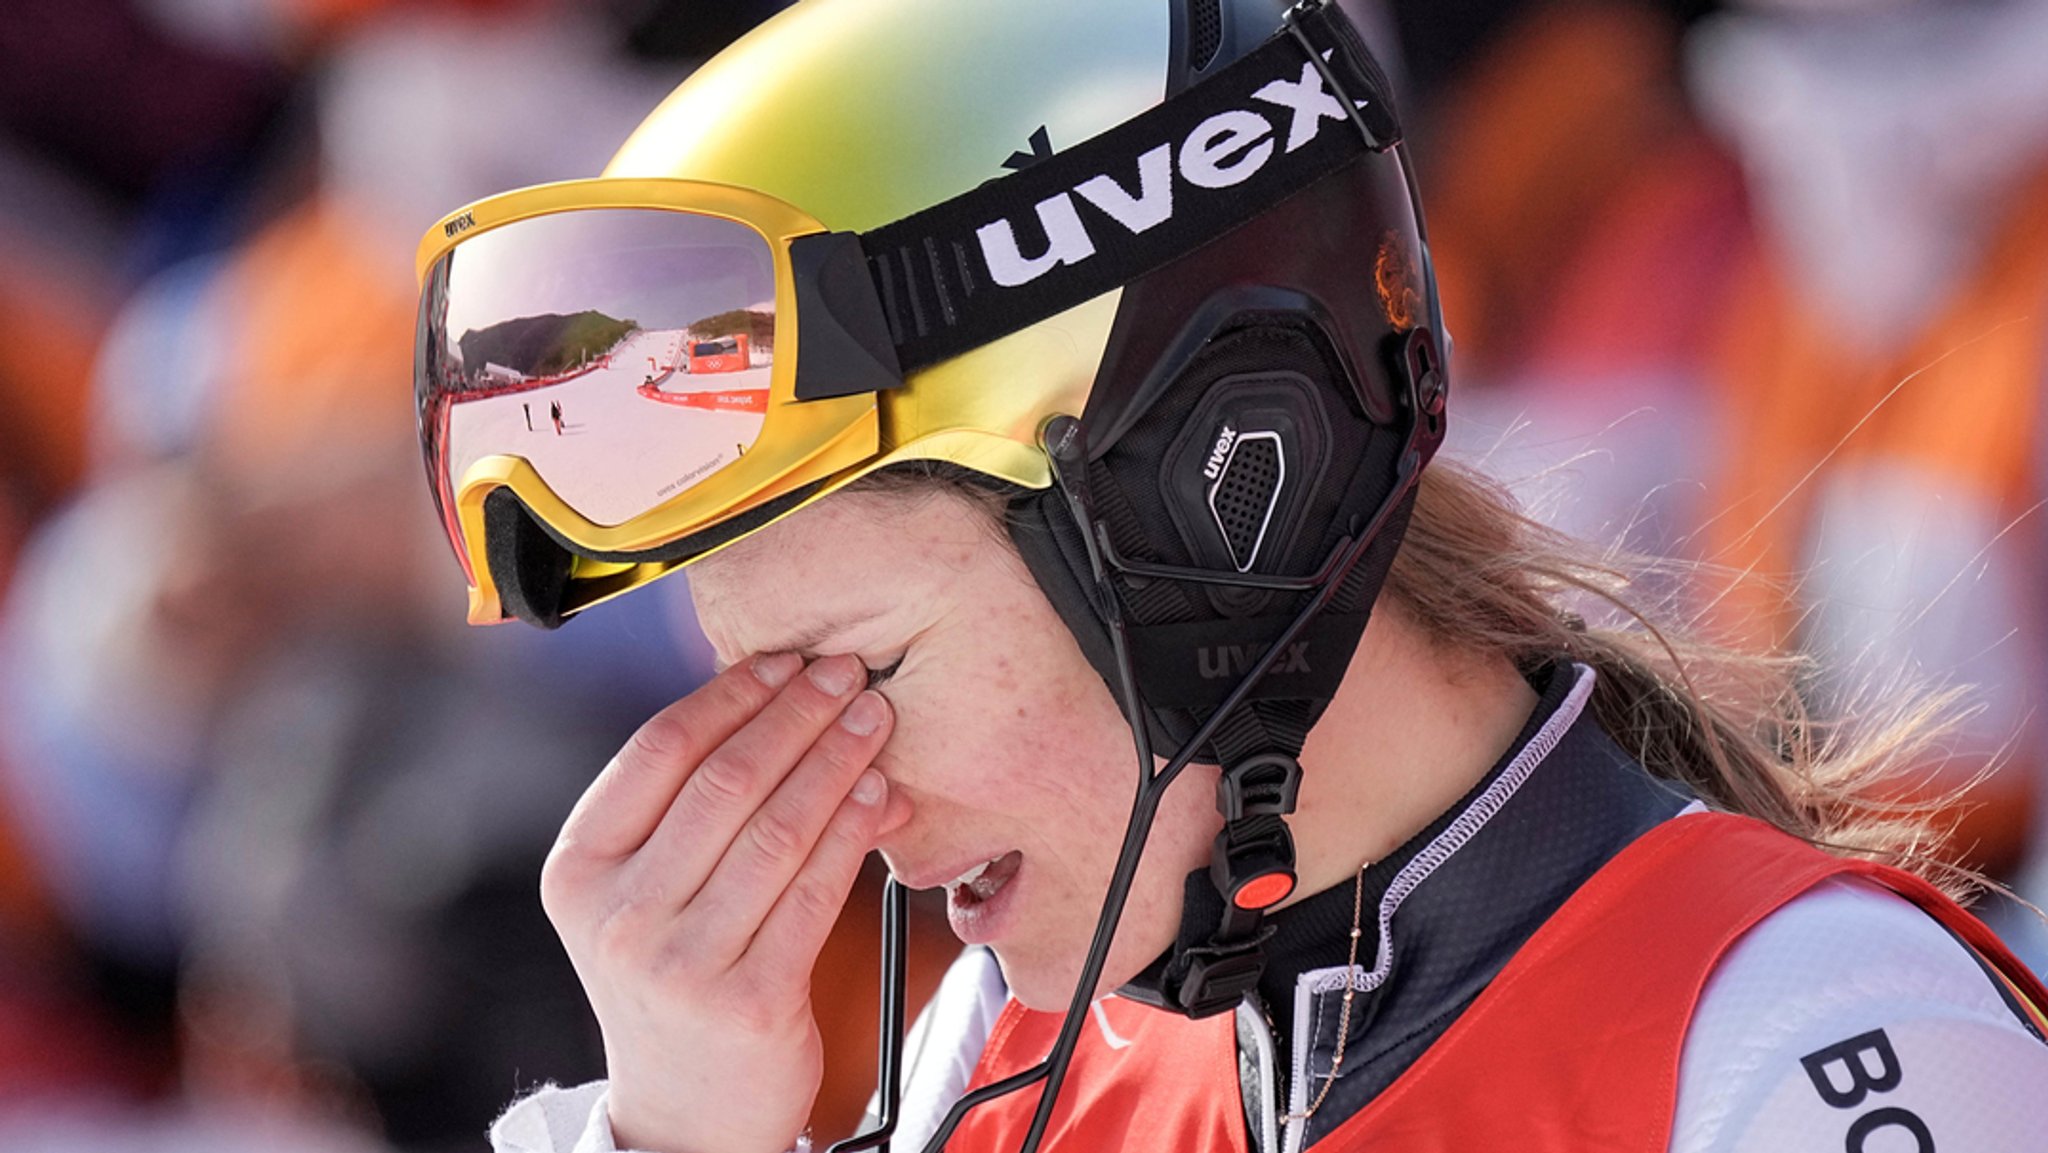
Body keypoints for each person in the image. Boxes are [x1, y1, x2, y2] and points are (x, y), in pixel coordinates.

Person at [408, 2, 2048, 1152]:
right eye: (762, 689)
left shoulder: (1809, 1047)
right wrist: (673, 1131)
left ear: (1211, 508)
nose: (852, 818)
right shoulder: (1008, 1051)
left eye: (871, 673)